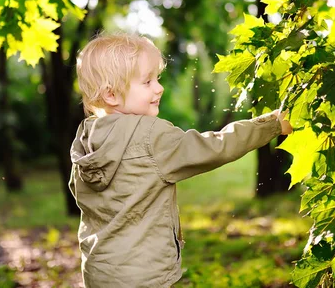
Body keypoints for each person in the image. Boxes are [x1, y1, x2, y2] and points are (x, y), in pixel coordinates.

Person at [69, 33, 293, 288]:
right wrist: (272, 124)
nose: (159, 87)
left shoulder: (85, 139)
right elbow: (216, 146)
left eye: (158, 79)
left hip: (100, 274)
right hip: (147, 277)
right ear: (111, 95)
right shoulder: (150, 135)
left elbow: (81, 196)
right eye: (147, 82)